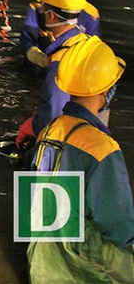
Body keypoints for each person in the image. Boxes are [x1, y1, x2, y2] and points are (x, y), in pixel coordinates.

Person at [28, 36, 133, 282]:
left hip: (42, 262)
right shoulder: (101, 147)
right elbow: (119, 226)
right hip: (80, 266)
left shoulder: (48, 131)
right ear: (106, 90)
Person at [16, 0, 90, 152]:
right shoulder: (88, 44)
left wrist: (30, 127)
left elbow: (53, 114)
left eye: (43, 8)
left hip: (66, 144)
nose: (39, 11)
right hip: (90, 135)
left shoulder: (60, 62)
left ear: (50, 16)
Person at [20, 0, 101, 69]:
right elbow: (27, 40)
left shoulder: (90, 13)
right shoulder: (37, 8)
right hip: (41, 67)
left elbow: (94, 48)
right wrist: (40, 59)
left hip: (72, 67)